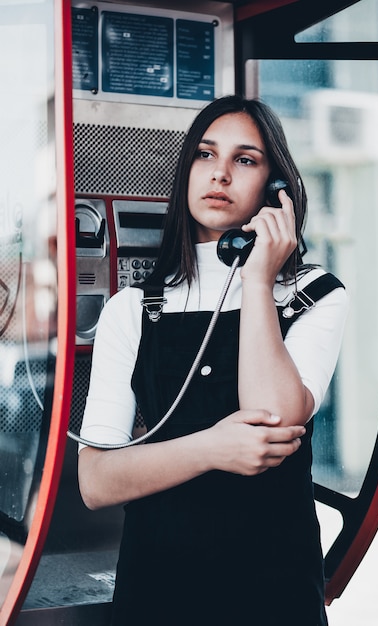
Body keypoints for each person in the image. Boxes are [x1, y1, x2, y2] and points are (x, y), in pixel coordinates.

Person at [78, 95, 348, 625]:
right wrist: (212, 448)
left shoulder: (312, 294)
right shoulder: (133, 309)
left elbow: (275, 417)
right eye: (206, 155)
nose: (220, 174)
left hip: (274, 591)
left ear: (278, 189)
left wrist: (256, 277)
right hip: (158, 589)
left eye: (244, 160)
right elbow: (97, 482)